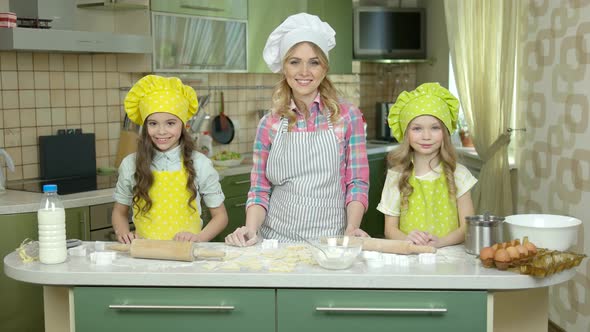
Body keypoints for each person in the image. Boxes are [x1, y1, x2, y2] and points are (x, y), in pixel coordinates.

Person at [225, 13, 370, 246]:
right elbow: (260, 189)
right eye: (294, 62)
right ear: (284, 68)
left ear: (324, 68)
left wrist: (352, 228)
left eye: (314, 62)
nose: (304, 71)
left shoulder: (347, 116)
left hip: (331, 242)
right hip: (276, 242)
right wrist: (250, 229)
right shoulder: (269, 123)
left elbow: (357, 183)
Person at [112, 75, 228, 244]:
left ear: (183, 125)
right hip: (145, 258)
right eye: (153, 124)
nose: (161, 131)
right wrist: (123, 233)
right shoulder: (130, 164)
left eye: (170, 123)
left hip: (188, 257)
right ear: (145, 126)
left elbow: (221, 216)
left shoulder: (200, 164)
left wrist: (198, 238)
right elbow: (119, 212)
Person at [377, 82, 477, 248]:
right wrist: (408, 239)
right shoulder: (397, 176)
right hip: (410, 260)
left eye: (435, 128)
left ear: (445, 132)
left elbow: (467, 226)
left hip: (450, 258)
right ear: (405, 133)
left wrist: (440, 242)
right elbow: (390, 229)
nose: (426, 136)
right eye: (417, 129)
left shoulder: (459, 173)